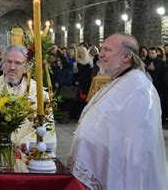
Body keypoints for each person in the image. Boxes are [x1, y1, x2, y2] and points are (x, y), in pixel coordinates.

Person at [69, 34, 167, 189]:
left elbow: (137, 146)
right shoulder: (121, 80)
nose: (101, 54)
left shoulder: (139, 88)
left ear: (127, 56)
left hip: (121, 175)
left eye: (107, 50)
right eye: (102, 49)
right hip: (102, 167)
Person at [0, 45, 56, 149]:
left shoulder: (39, 93)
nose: (12, 67)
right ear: (2, 63)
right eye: (9, 61)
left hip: (29, 155)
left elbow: (48, 129)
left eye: (17, 63)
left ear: (26, 66)